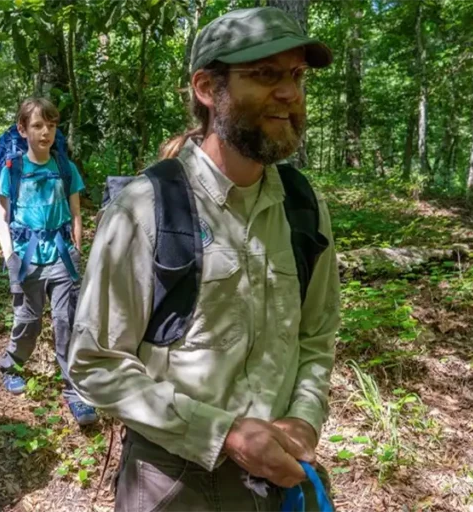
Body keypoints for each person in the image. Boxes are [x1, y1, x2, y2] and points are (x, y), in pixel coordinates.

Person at [67, 7, 341, 511]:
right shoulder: (146, 208)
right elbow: (94, 361)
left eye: (297, 75)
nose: (290, 92)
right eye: (266, 74)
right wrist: (224, 433)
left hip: (279, 477)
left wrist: (304, 418)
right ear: (207, 88)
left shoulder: (303, 207)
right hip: (172, 480)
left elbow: (316, 335)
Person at [0, 97, 97, 426]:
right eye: (38, 125)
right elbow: (2, 218)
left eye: (51, 126)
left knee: (67, 321)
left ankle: (74, 391)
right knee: (29, 320)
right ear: (22, 129)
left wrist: (77, 248)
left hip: (62, 257)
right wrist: (9, 256)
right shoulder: (13, 170)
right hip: (26, 260)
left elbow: (76, 213)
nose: (45, 132)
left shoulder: (66, 168)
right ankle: (11, 364)